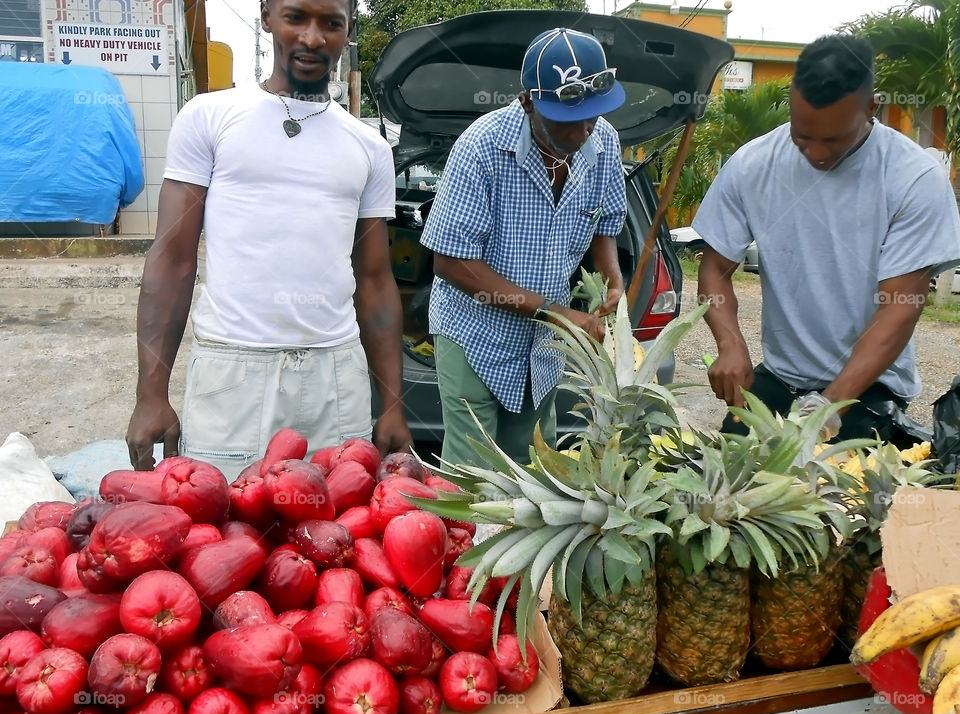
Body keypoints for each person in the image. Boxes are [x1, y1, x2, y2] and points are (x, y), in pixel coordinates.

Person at [125, 0, 411, 481]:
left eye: (331, 23)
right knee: (222, 533)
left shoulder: (369, 148)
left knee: (332, 539)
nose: (313, 38)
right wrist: (150, 394)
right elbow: (172, 261)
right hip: (232, 373)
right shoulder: (210, 117)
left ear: (348, 30)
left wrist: (392, 404)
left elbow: (376, 280)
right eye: (296, 17)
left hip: (335, 376)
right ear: (266, 16)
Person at [694, 34, 960, 442]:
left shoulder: (913, 179)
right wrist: (729, 343)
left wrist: (827, 406)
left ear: (872, 107)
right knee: (729, 484)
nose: (816, 154)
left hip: (869, 387)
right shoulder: (753, 164)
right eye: (802, 136)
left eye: (833, 139)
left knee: (846, 496)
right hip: (780, 377)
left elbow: (899, 308)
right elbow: (715, 267)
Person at [421, 27, 627, 466]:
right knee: (473, 474)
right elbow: (450, 262)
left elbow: (605, 222)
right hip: (473, 333)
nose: (581, 133)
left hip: (544, 344)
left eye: (591, 118)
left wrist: (612, 281)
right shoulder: (481, 148)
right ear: (528, 101)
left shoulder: (603, 139)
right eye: (566, 121)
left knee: (537, 468)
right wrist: (555, 313)